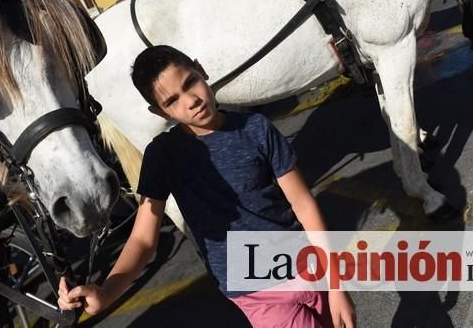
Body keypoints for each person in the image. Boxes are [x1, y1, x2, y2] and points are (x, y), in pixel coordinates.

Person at [57, 45, 356, 328]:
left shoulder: (255, 127)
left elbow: (303, 204)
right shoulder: (163, 156)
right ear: (160, 113)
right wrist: (107, 292)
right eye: (172, 101)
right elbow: (144, 240)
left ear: (202, 71)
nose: (191, 100)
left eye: (190, 82)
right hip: (258, 294)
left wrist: (335, 283)